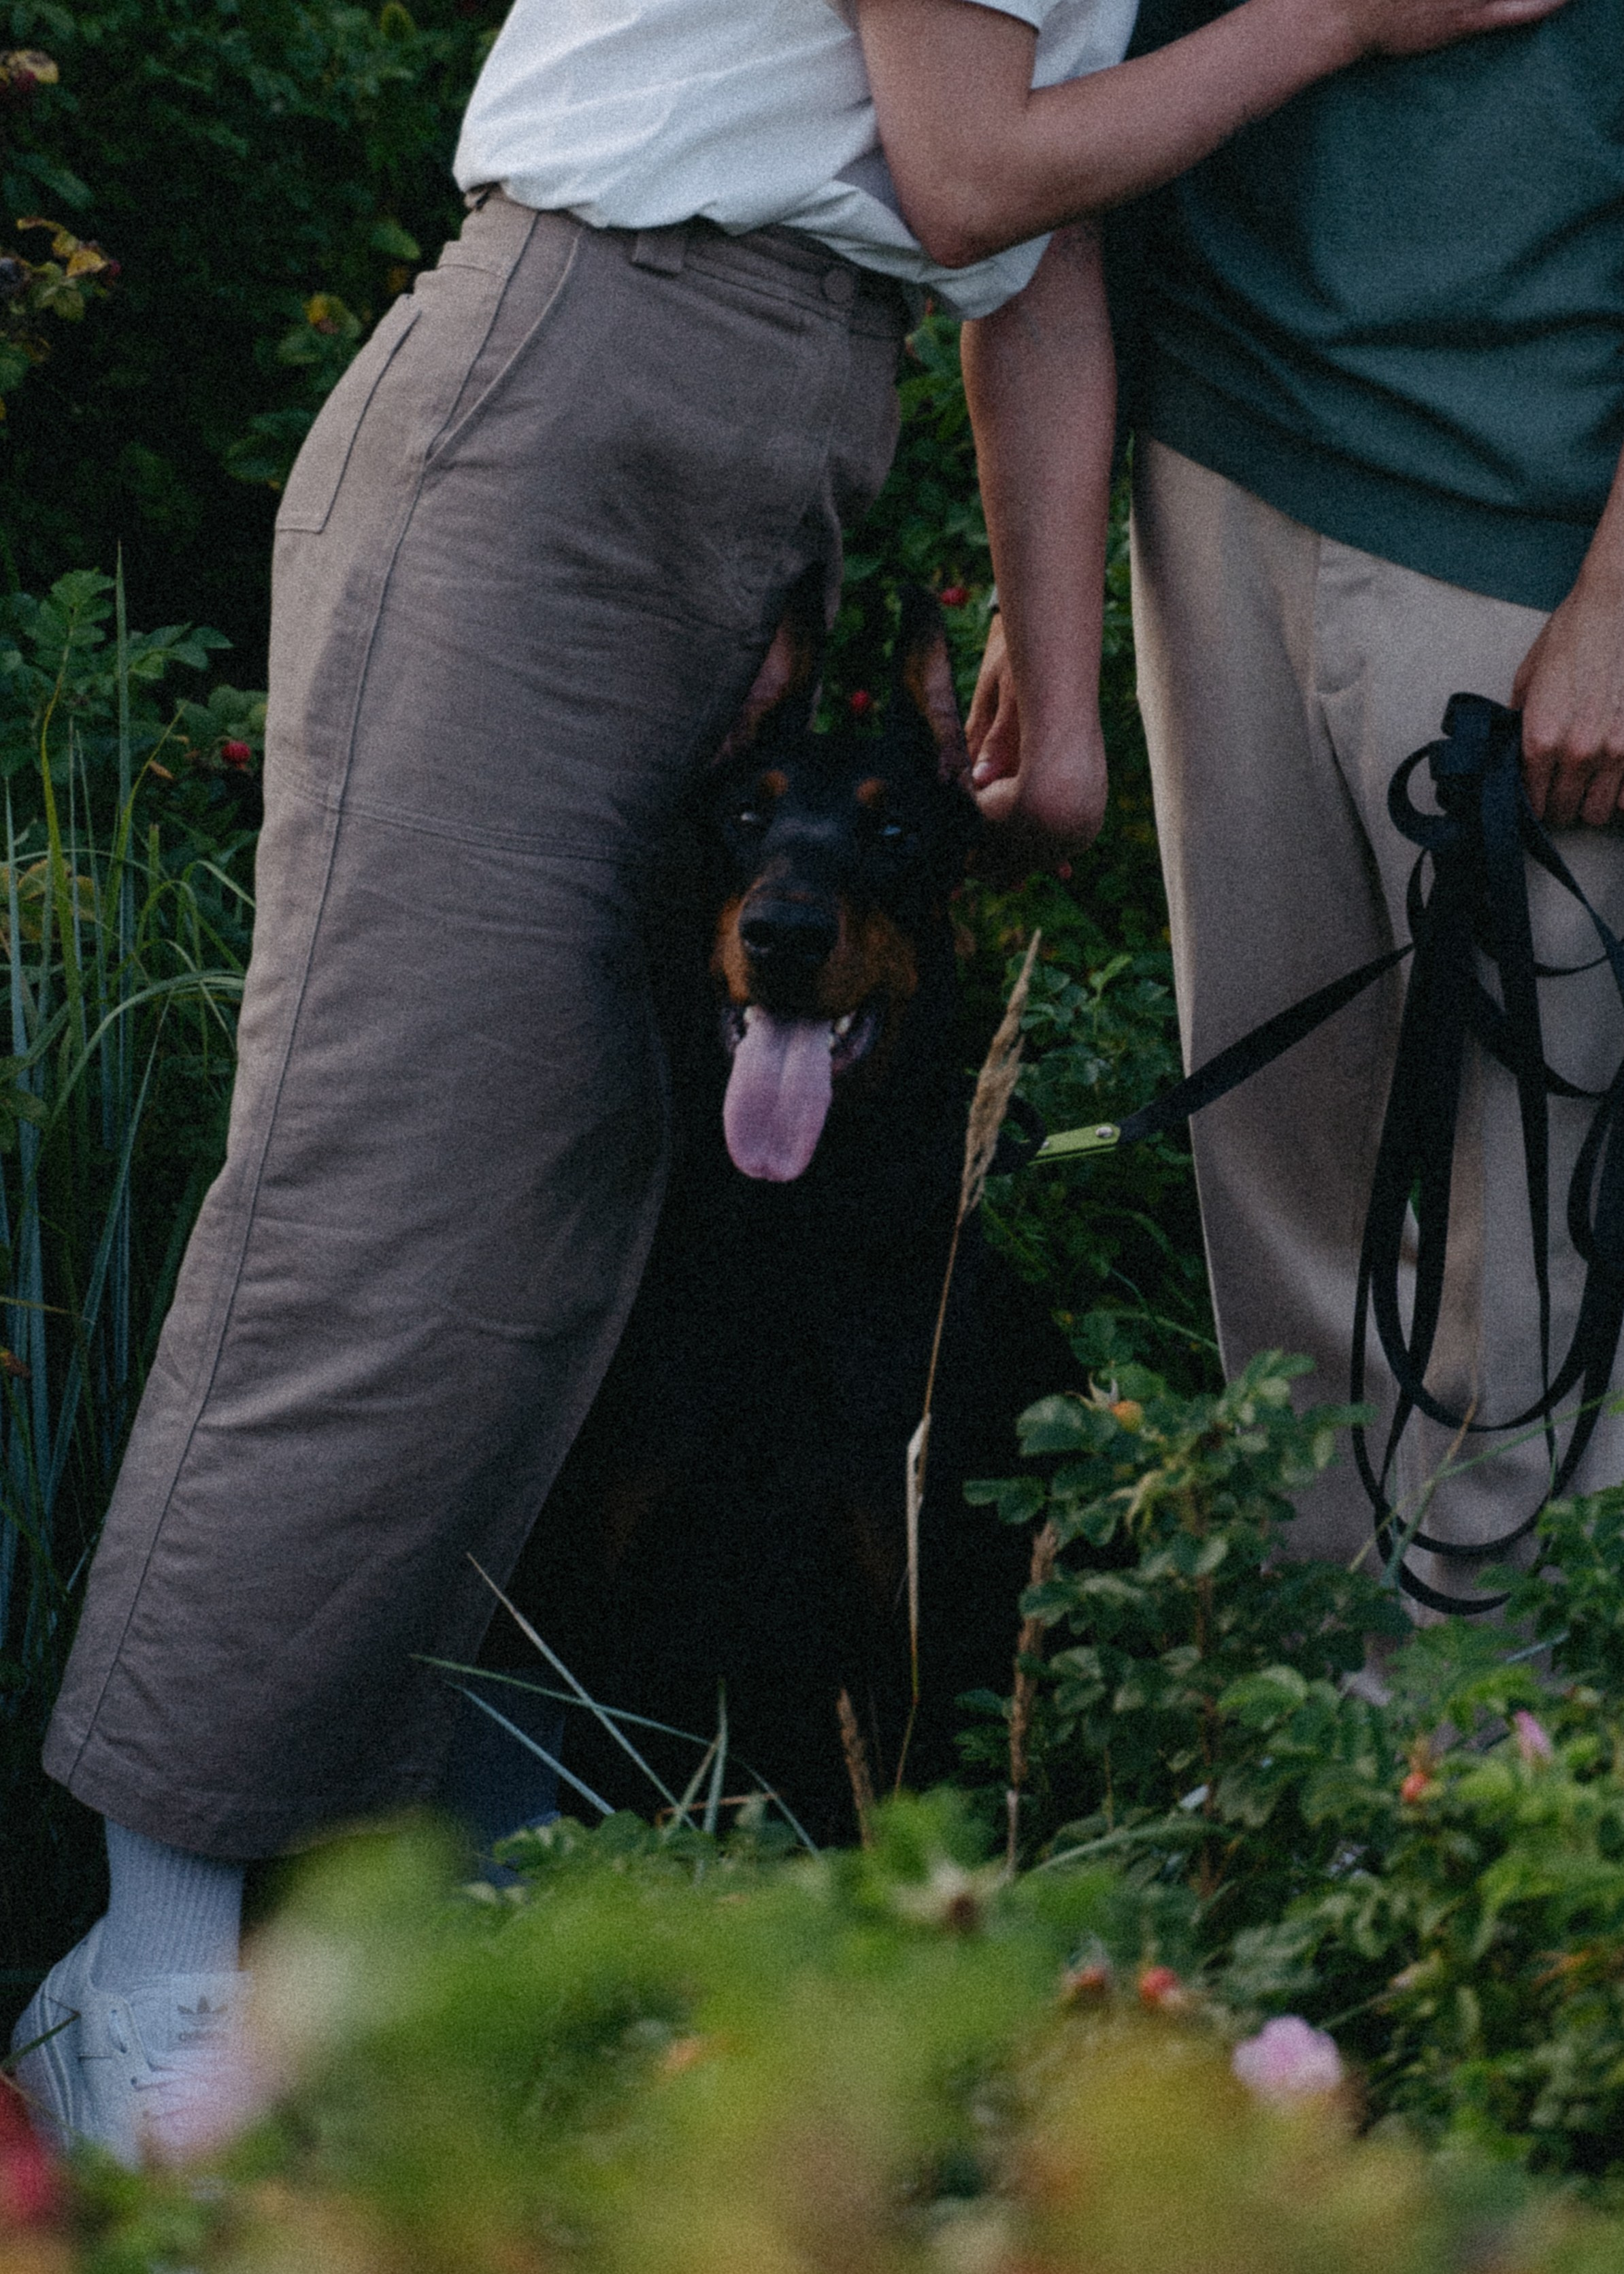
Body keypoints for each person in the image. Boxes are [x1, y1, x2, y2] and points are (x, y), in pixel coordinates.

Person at [13, 0, 1566, 2166]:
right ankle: (141, 1970)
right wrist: (1351, 19)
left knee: (583, 1227)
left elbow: (1032, 236)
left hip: (771, 415)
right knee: (380, 1200)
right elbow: (970, 174)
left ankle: (426, 1920)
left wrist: (1057, 667)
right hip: (592, 375)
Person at [965, 0, 1624, 1601]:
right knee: (1284, 1231)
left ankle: (1514, 1794)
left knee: (1530, 1261)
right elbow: (1072, 103)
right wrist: (1037, 591)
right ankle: (1320, 1786)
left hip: (1531, 545)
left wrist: (1623, 593)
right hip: (1212, 474)